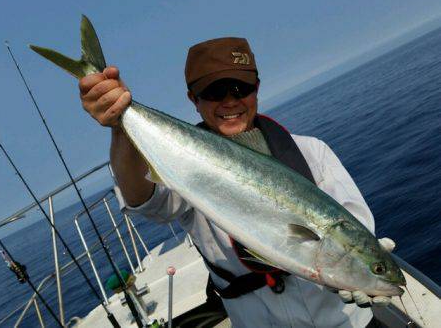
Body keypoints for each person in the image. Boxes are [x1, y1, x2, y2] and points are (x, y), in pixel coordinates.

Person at [79, 37, 395, 327]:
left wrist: (370, 271)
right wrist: (120, 123)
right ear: (193, 99)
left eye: (241, 89)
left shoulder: (313, 152)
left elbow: (356, 232)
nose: (231, 102)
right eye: (216, 92)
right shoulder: (183, 161)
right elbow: (142, 199)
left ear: (257, 88)